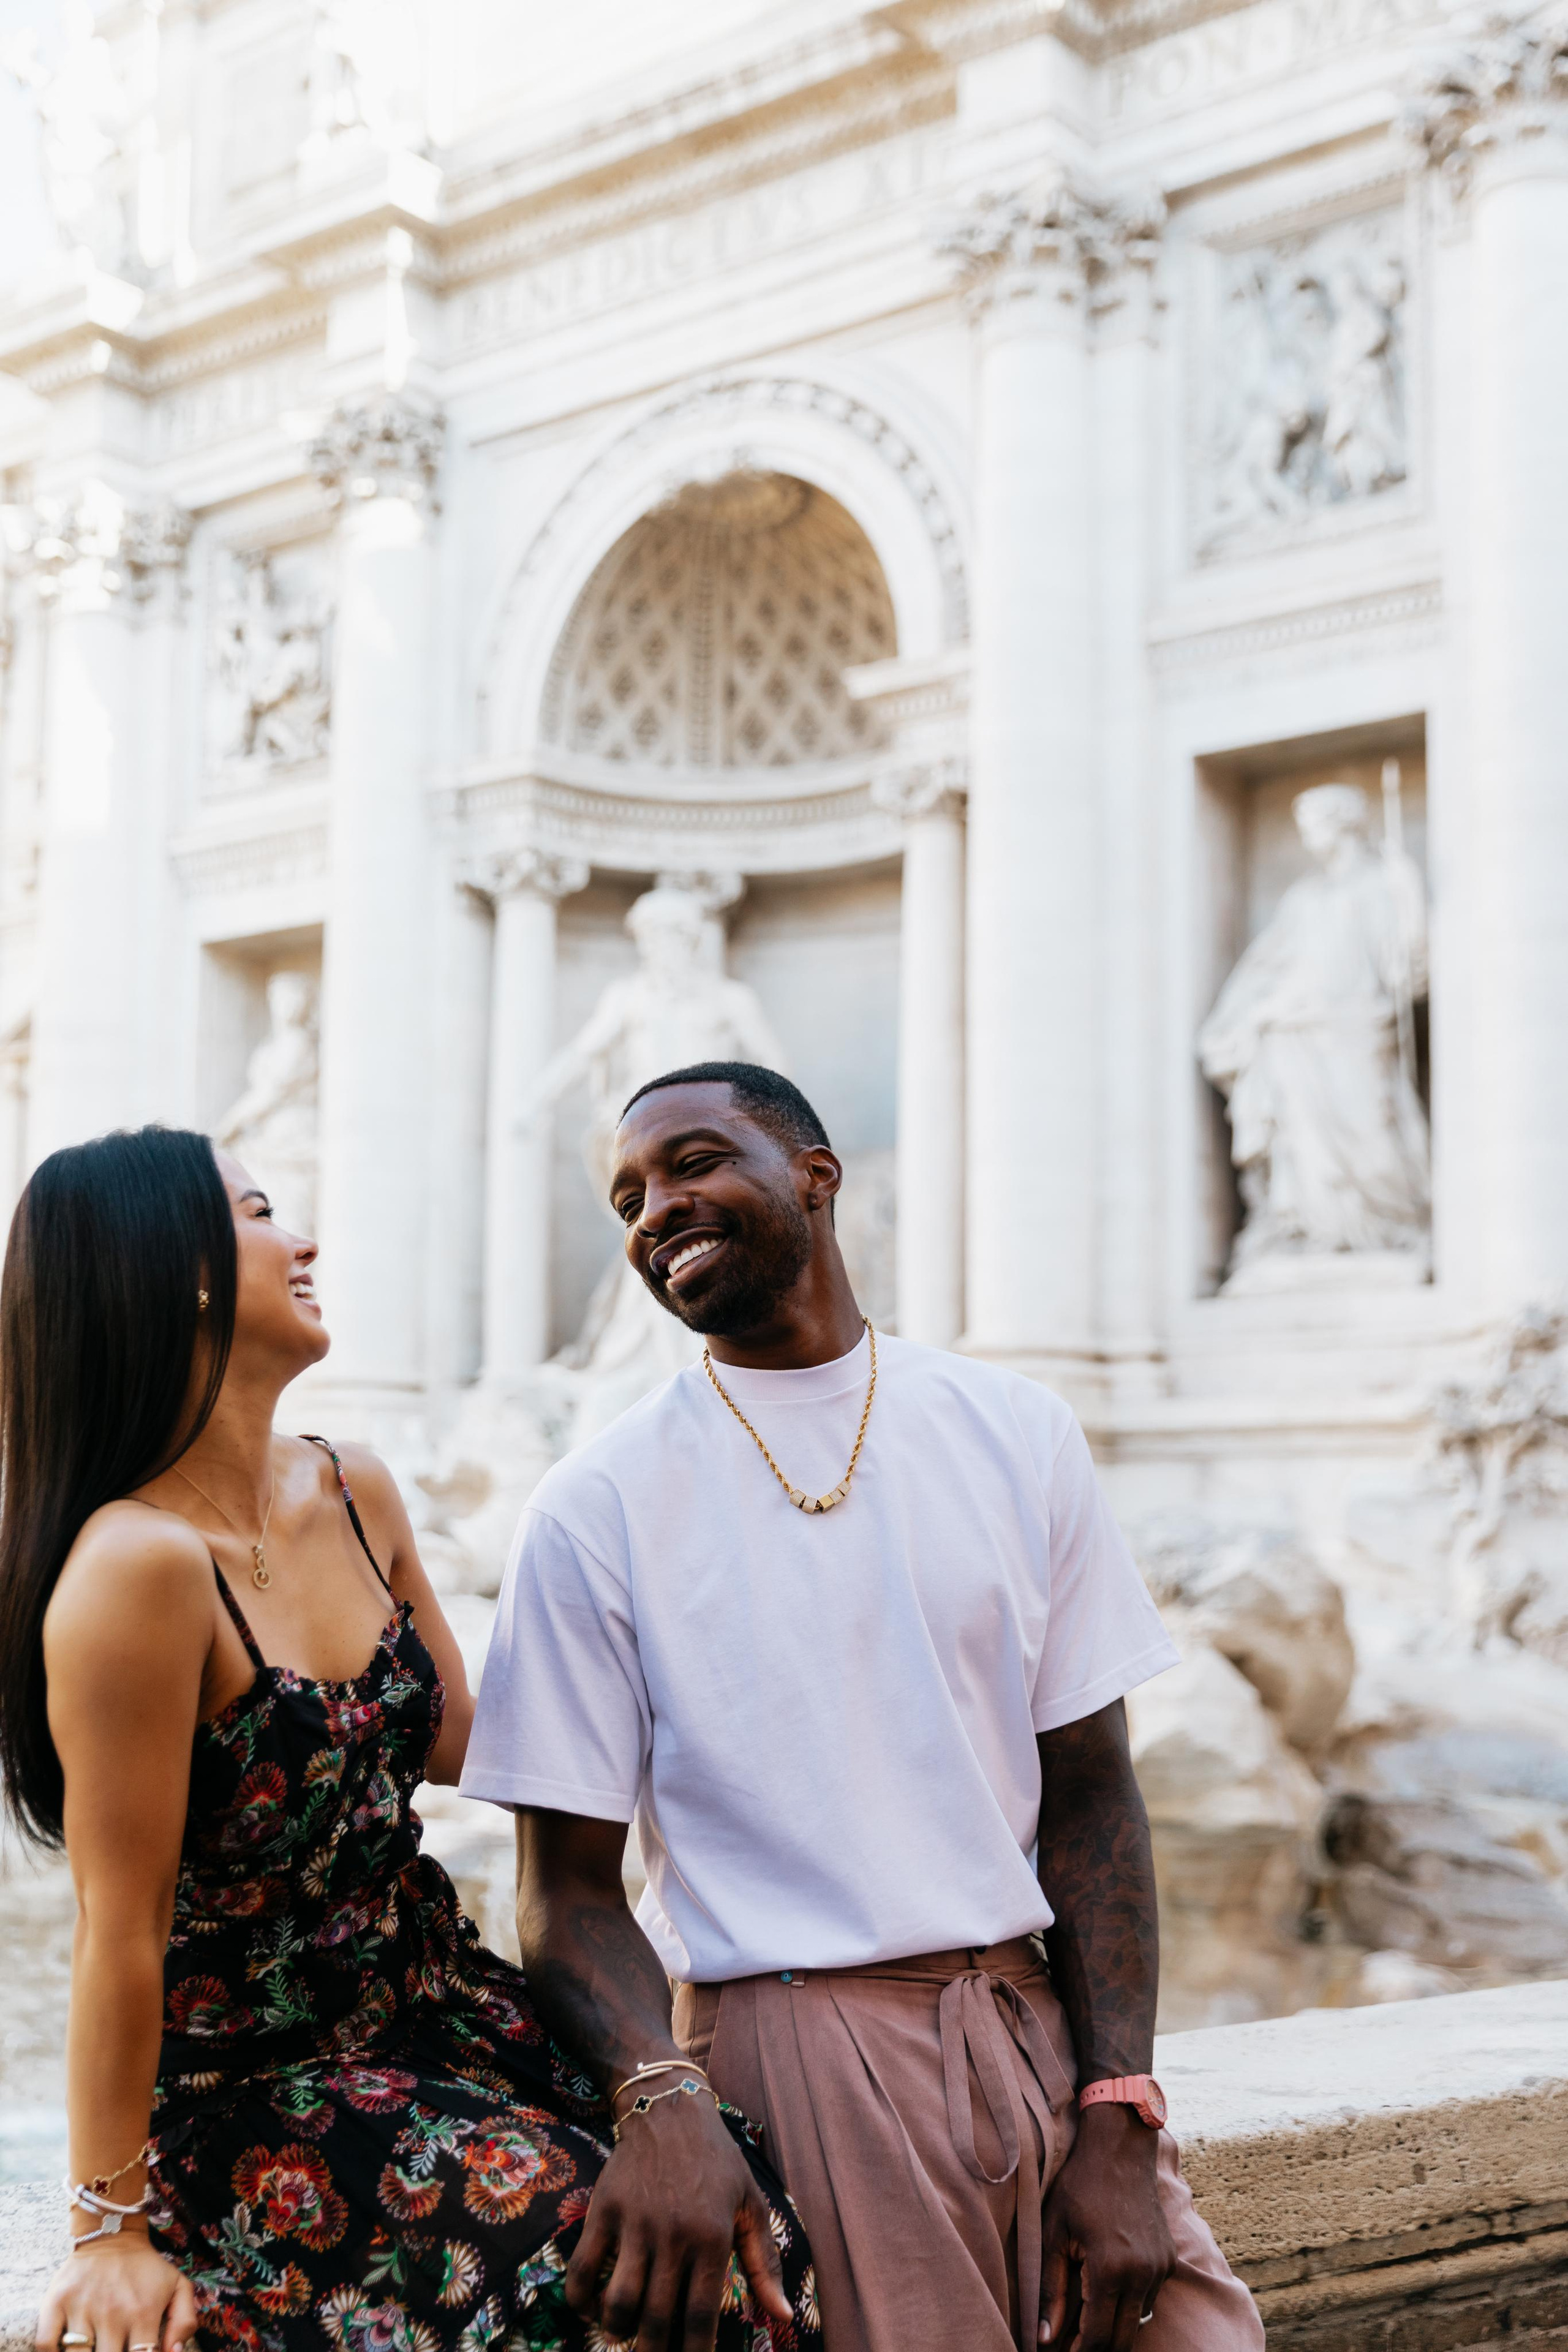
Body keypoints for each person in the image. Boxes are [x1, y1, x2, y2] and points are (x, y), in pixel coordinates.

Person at [461, 1062, 1266, 2352]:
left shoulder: (1017, 1431)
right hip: (793, 2054)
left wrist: (1119, 2105)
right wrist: (660, 2100)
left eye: (693, 1164)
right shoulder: (594, 1505)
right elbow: (562, 1890)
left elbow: (1091, 1792)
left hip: (1031, 2032)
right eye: (627, 1198)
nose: (654, 1211)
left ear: (815, 1176)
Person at [0, 1126, 816, 2352]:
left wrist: (725, 1683)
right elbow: (118, 1932)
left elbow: (470, 1740)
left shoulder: (352, 1488)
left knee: (731, 2191)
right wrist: (106, 2235)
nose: (303, 1240)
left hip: (437, 2004)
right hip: (259, 2093)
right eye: (260, 1213)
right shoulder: (138, 1570)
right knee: (601, 2267)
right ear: (180, 1271)